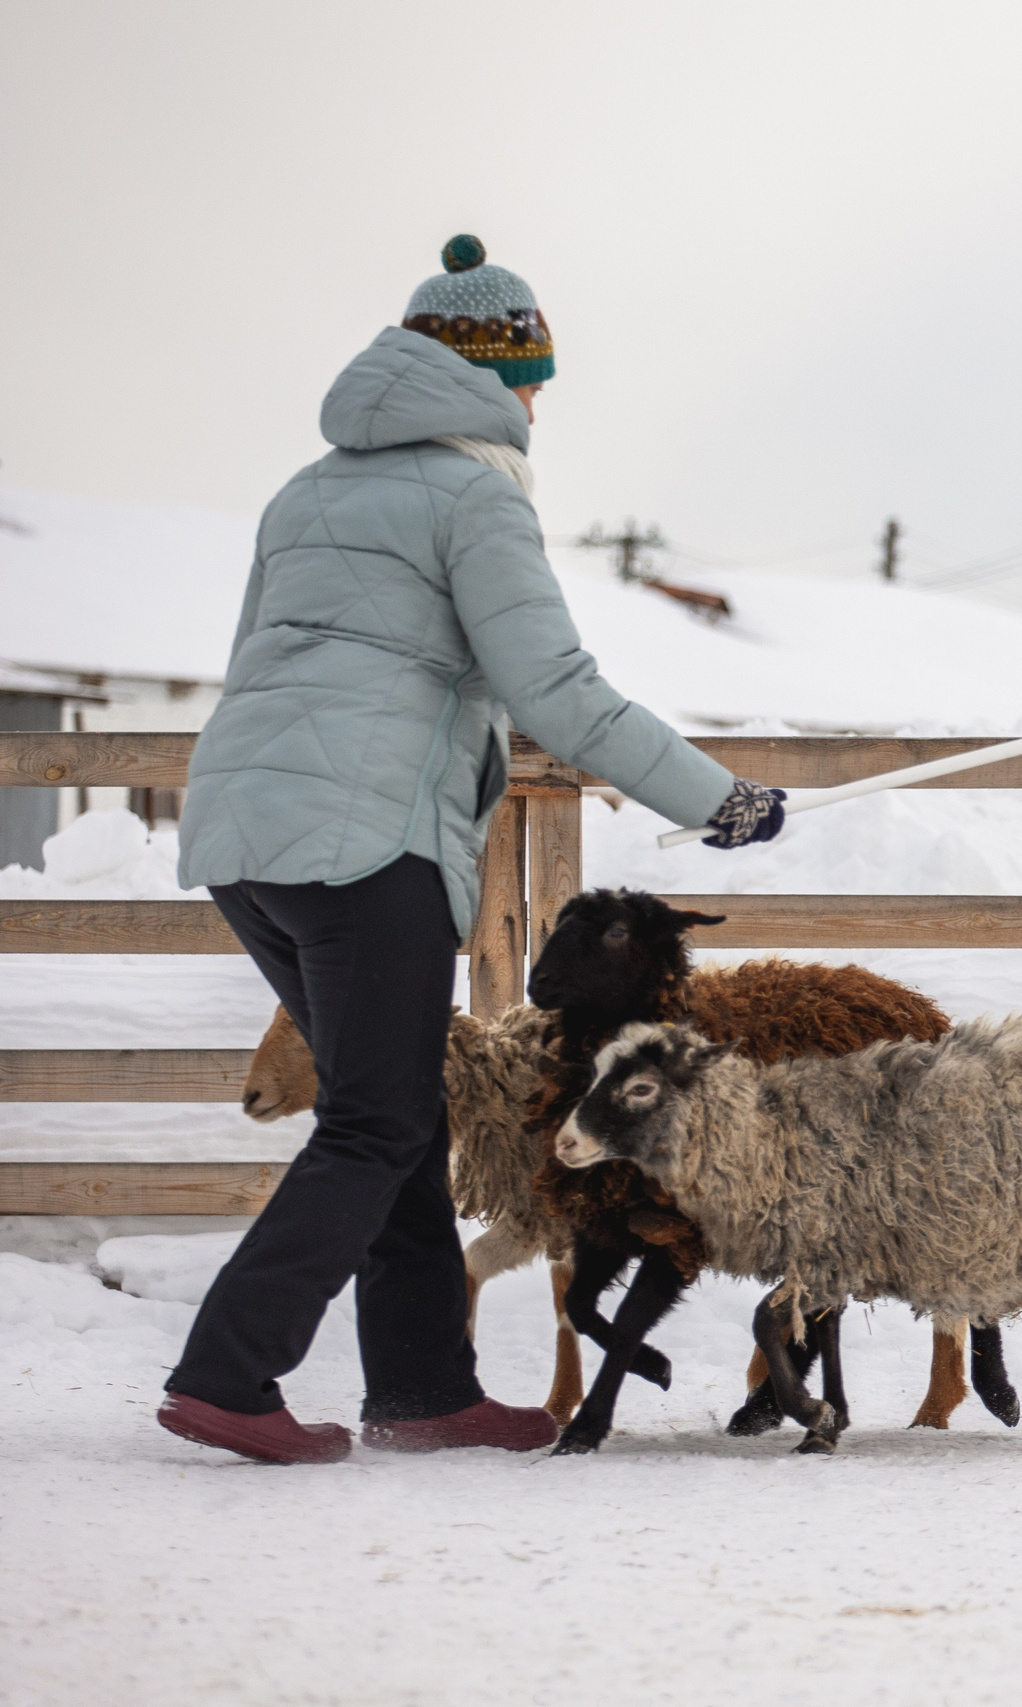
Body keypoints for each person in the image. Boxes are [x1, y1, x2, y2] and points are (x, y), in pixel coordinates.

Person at [157, 235, 785, 1464]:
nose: (539, 403)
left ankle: (422, 1390)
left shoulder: (309, 489)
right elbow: (553, 684)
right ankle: (228, 1373)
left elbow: (264, 668)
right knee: (381, 1123)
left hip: (247, 836)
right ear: (497, 376)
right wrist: (716, 800)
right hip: (363, 843)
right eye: (534, 380)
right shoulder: (474, 492)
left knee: (387, 1106)